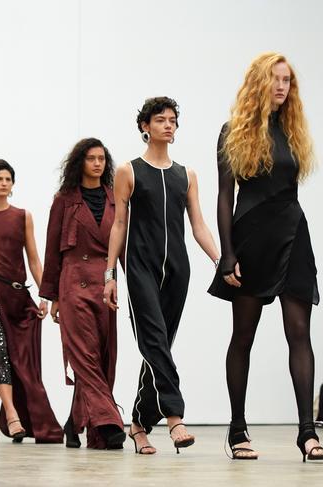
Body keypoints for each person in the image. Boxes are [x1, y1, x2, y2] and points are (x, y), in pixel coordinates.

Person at [208, 52, 323, 462]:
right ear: (259, 82)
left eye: (288, 80)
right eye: (275, 79)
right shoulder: (232, 132)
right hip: (251, 237)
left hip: (294, 233)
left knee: (299, 332)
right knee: (244, 336)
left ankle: (307, 434)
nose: (282, 86)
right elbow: (225, 197)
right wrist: (227, 254)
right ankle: (237, 428)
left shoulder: (293, 132)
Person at [103, 96, 220, 455]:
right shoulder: (128, 170)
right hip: (140, 268)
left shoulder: (187, 175)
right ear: (145, 126)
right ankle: (174, 416)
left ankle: (139, 422)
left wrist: (221, 261)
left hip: (177, 271)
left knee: (159, 347)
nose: (168, 125)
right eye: (160, 120)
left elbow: (198, 224)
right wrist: (111, 274)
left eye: (172, 120)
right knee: (153, 341)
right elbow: (119, 223)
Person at [0, 160, 63, 444]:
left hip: (17, 294)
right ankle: (12, 415)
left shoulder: (22, 216)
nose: (4, 183)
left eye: (8, 179)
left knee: (6, 356)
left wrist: (46, 294)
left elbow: (33, 258)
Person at [40, 138, 125, 450]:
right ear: (80, 163)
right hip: (74, 281)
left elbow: (124, 245)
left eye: (102, 158)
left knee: (103, 357)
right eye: (91, 158)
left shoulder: (116, 199)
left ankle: (76, 424)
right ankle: (110, 421)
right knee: (84, 356)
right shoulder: (64, 200)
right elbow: (51, 249)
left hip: (106, 284)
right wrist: (53, 297)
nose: (98, 163)